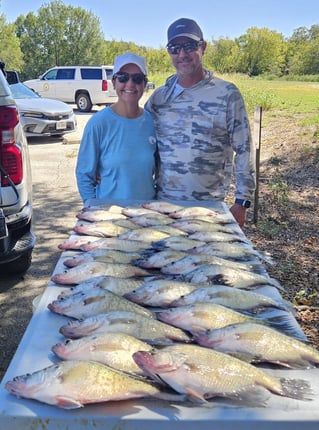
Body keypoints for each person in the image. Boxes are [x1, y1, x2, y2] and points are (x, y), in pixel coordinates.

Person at [145, 18, 255, 227]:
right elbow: (136, 140)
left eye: (189, 46)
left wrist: (242, 202)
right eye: (175, 48)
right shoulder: (159, 98)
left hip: (209, 210)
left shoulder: (226, 94)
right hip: (163, 208)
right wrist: (103, 167)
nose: (182, 54)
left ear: (203, 47)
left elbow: (245, 150)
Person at [76, 52, 157, 205]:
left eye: (137, 78)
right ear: (114, 82)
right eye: (123, 77)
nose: (130, 84)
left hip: (146, 216)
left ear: (144, 84)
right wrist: (92, 207)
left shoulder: (153, 123)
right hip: (109, 218)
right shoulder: (98, 123)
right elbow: (84, 174)